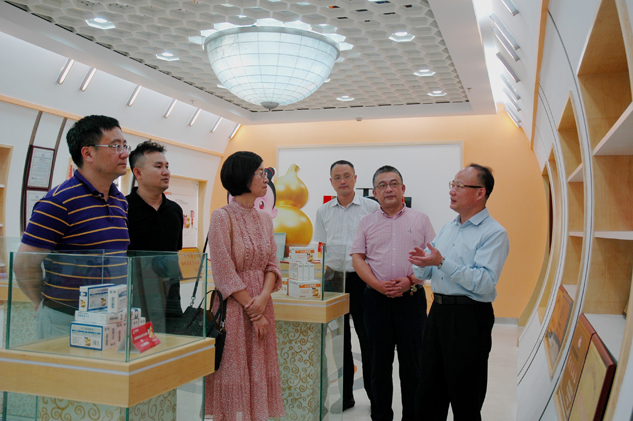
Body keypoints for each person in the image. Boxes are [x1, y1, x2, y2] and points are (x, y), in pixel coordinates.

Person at [14, 115, 130, 339]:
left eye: (125, 146)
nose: (124, 153)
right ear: (88, 154)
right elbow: (24, 264)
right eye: (115, 146)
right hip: (66, 319)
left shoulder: (120, 201)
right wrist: (41, 303)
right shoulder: (59, 202)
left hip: (112, 317)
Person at [408, 164, 510, 421]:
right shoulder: (448, 228)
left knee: (465, 396)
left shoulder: (494, 233)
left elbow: (484, 281)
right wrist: (421, 264)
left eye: (459, 186)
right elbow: (430, 271)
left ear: (480, 193)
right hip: (438, 313)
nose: (452, 191)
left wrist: (441, 262)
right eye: (452, 185)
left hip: (469, 318)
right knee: (429, 391)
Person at [351, 165, 435, 421]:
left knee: (413, 365)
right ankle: (380, 415)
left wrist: (411, 280)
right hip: (376, 301)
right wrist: (377, 285)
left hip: (411, 300)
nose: (388, 189)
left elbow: (432, 257)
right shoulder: (366, 222)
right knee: (378, 365)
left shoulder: (420, 220)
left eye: (394, 183)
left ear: (403, 189)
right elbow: (358, 258)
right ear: (374, 193)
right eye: (382, 185)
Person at [205, 151, 284, 421]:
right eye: (260, 173)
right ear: (243, 176)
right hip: (235, 309)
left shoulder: (264, 219)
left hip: (261, 303)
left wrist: (263, 299)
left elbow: (272, 265)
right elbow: (223, 272)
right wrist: (255, 311)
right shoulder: (221, 217)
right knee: (233, 369)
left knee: (259, 366)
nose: (266, 178)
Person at [313, 160, 379, 411]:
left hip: (363, 279)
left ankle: (376, 398)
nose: (343, 181)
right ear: (331, 182)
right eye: (337, 177)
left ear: (355, 179)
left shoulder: (371, 208)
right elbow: (322, 246)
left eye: (347, 176)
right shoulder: (323, 211)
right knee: (338, 342)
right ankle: (345, 396)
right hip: (333, 279)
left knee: (368, 339)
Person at [127, 140, 183, 332]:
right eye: (158, 167)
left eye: (167, 166)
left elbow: (174, 255)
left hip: (170, 301)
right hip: (135, 300)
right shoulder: (123, 209)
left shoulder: (175, 211)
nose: (165, 172)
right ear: (138, 173)